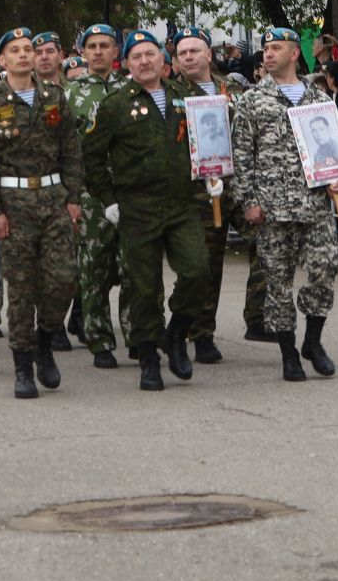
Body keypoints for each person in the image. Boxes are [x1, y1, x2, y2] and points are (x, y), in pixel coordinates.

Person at [81, 30, 212, 390]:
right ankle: (150, 359)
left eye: (150, 54)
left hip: (182, 204)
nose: (144, 61)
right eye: (136, 56)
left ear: (161, 58)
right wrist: (108, 199)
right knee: (143, 286)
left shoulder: (186, 96)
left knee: (198, 271)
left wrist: (213, 173)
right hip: (137, 208)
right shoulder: (114, 105)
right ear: (127, 64)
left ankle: (177, 332)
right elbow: (90, 158)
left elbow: (210, 136)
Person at [233, 27, 338, 382]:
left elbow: (336, 148)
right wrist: (248, 201)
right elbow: (242, 156)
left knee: (323, 271)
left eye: (276, 48)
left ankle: (312, 341)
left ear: (294, 54)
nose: (268, 54)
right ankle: (288, 354)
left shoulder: (318, 99)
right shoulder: (252, 100)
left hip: (315, 203)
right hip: (273, 208)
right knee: (278, 283)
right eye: (265, 48)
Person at [0, 27, 84, 400]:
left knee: (63, 279)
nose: (24, 54)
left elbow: (70, 148)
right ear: (2, 61)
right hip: (12, 203)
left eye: (28, 49)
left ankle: (45, 343)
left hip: (53, 198)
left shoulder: (54, 96)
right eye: (15, 50)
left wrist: (73, 196)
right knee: (20, 289)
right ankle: (23, 367)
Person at [174, 28, 270, 356]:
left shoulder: (230, 91)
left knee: (267, 240)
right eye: (182, 52)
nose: (188, 56)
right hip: (195, 193)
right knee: (206, 264)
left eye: (194, 50)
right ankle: (200, 334)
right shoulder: (170, 94)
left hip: (236, 186)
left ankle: (258, 316)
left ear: (208, 55)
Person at [65, 23, 130, 367]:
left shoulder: (132, 88)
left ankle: (136, 335)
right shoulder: (71, 93)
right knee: (93, 268)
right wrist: (69, 196)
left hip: (130, 189)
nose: (99, 51)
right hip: (90, 194)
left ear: (116, 51)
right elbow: (63, 148)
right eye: (92, 46)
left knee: (134, 264)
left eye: (106, 45)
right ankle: (99, 339)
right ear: (82, 52)